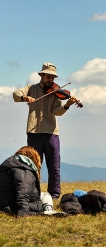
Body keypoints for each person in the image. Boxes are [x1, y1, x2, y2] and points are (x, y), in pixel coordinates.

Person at [13, 63, 77, 199]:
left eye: (53, 78)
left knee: (54, 165)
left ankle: (54, 195)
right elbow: (15, 94)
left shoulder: (55, 92)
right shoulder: (31, 88)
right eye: (48, 77)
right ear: (41, 75)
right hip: (34, 131)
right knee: (33, 165)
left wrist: (67, 105)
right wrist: (25, 98)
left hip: (51, 132)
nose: (51, 80)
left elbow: (57, 112)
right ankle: (33, 194)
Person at [0, 146, 57, 216]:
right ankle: (49, 211)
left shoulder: (8, 167)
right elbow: (23, 193)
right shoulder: (24, 171)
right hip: (14, 208)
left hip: (4, 205)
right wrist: (24, 212)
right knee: (46, 195)